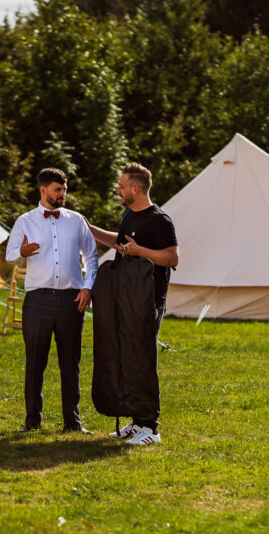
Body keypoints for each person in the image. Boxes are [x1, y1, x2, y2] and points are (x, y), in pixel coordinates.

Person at [86, 162, 178, 446]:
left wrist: (141, 252)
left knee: (143, 360)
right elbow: (121, 243)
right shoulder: (129, 216)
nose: (118, 190)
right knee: (127, 357)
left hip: (149, 299)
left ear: (135, 188)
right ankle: (137, 421)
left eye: (122, 186)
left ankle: (151, 427)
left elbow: (172, 258)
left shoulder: (159, 220)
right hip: (125, 298)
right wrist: (90, 230)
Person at [5, 168, 98, 434]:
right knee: (35, 362)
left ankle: (73, 422)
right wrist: (21, 251)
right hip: (37, 300)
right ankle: (32, 420)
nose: (63, 195)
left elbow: (92, 258)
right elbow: (11, 254)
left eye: (64, 190)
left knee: (71, 362)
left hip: (72, 300)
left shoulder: (77, 220)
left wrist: (88, 288)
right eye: (58, 190)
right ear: (43, 190)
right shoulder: (25, 221)